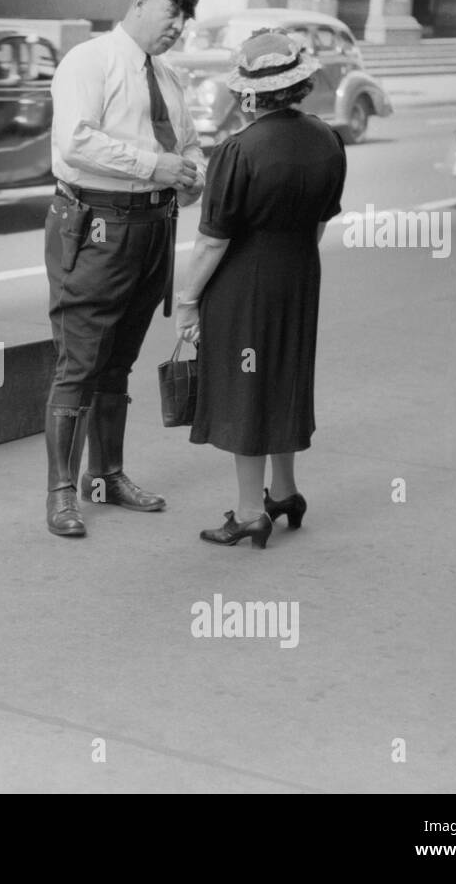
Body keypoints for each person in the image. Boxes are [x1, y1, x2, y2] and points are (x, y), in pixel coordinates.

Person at [42, 0, 213, 538]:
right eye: (172, 13)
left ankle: (106, 476)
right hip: (96, 225)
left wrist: (192, 177)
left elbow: (189, 145)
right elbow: (76, 140)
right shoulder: (88, 62)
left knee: (119, 360)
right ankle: (62, 492)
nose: (178, 27)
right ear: (140, 4)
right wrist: (155, 165)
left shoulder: (168, 79)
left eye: (186, 19)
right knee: (79, 362)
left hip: (151, 230)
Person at [175, 30, 347, 548]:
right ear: (299, 84)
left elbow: (212, 241)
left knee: (244, 390)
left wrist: (187, 303)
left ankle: (252, 511)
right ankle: (286, 492)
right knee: (283, 378)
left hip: (244, 286)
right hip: (299, 275)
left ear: (250, 93)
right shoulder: (327, 139)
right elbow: (319, 223)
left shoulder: (238, 150)